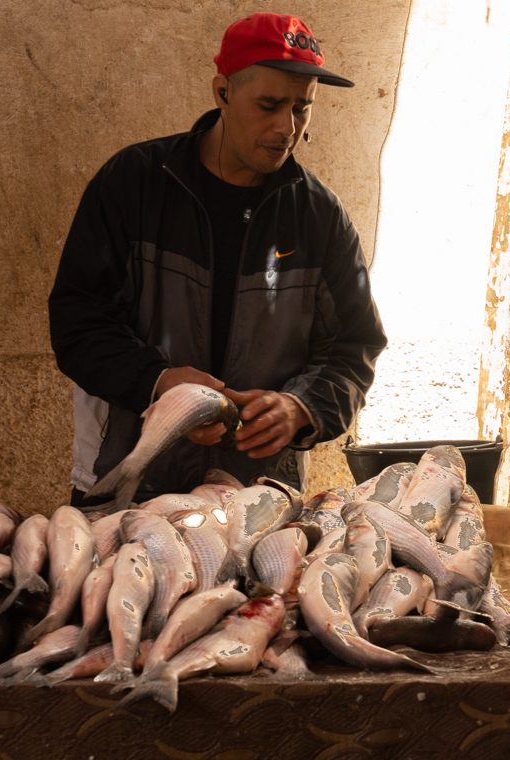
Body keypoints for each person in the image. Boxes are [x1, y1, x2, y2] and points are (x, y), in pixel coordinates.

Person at [49, 12, 387, 502]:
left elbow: (354, 348)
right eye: (269, 105)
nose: (285, 127)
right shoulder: (132, 184)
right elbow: (77, 321)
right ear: (222, 92)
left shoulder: (319, 216)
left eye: (302, 108)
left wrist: (302, 409)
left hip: (257, 500)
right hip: (128, 480)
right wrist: (158, 383)